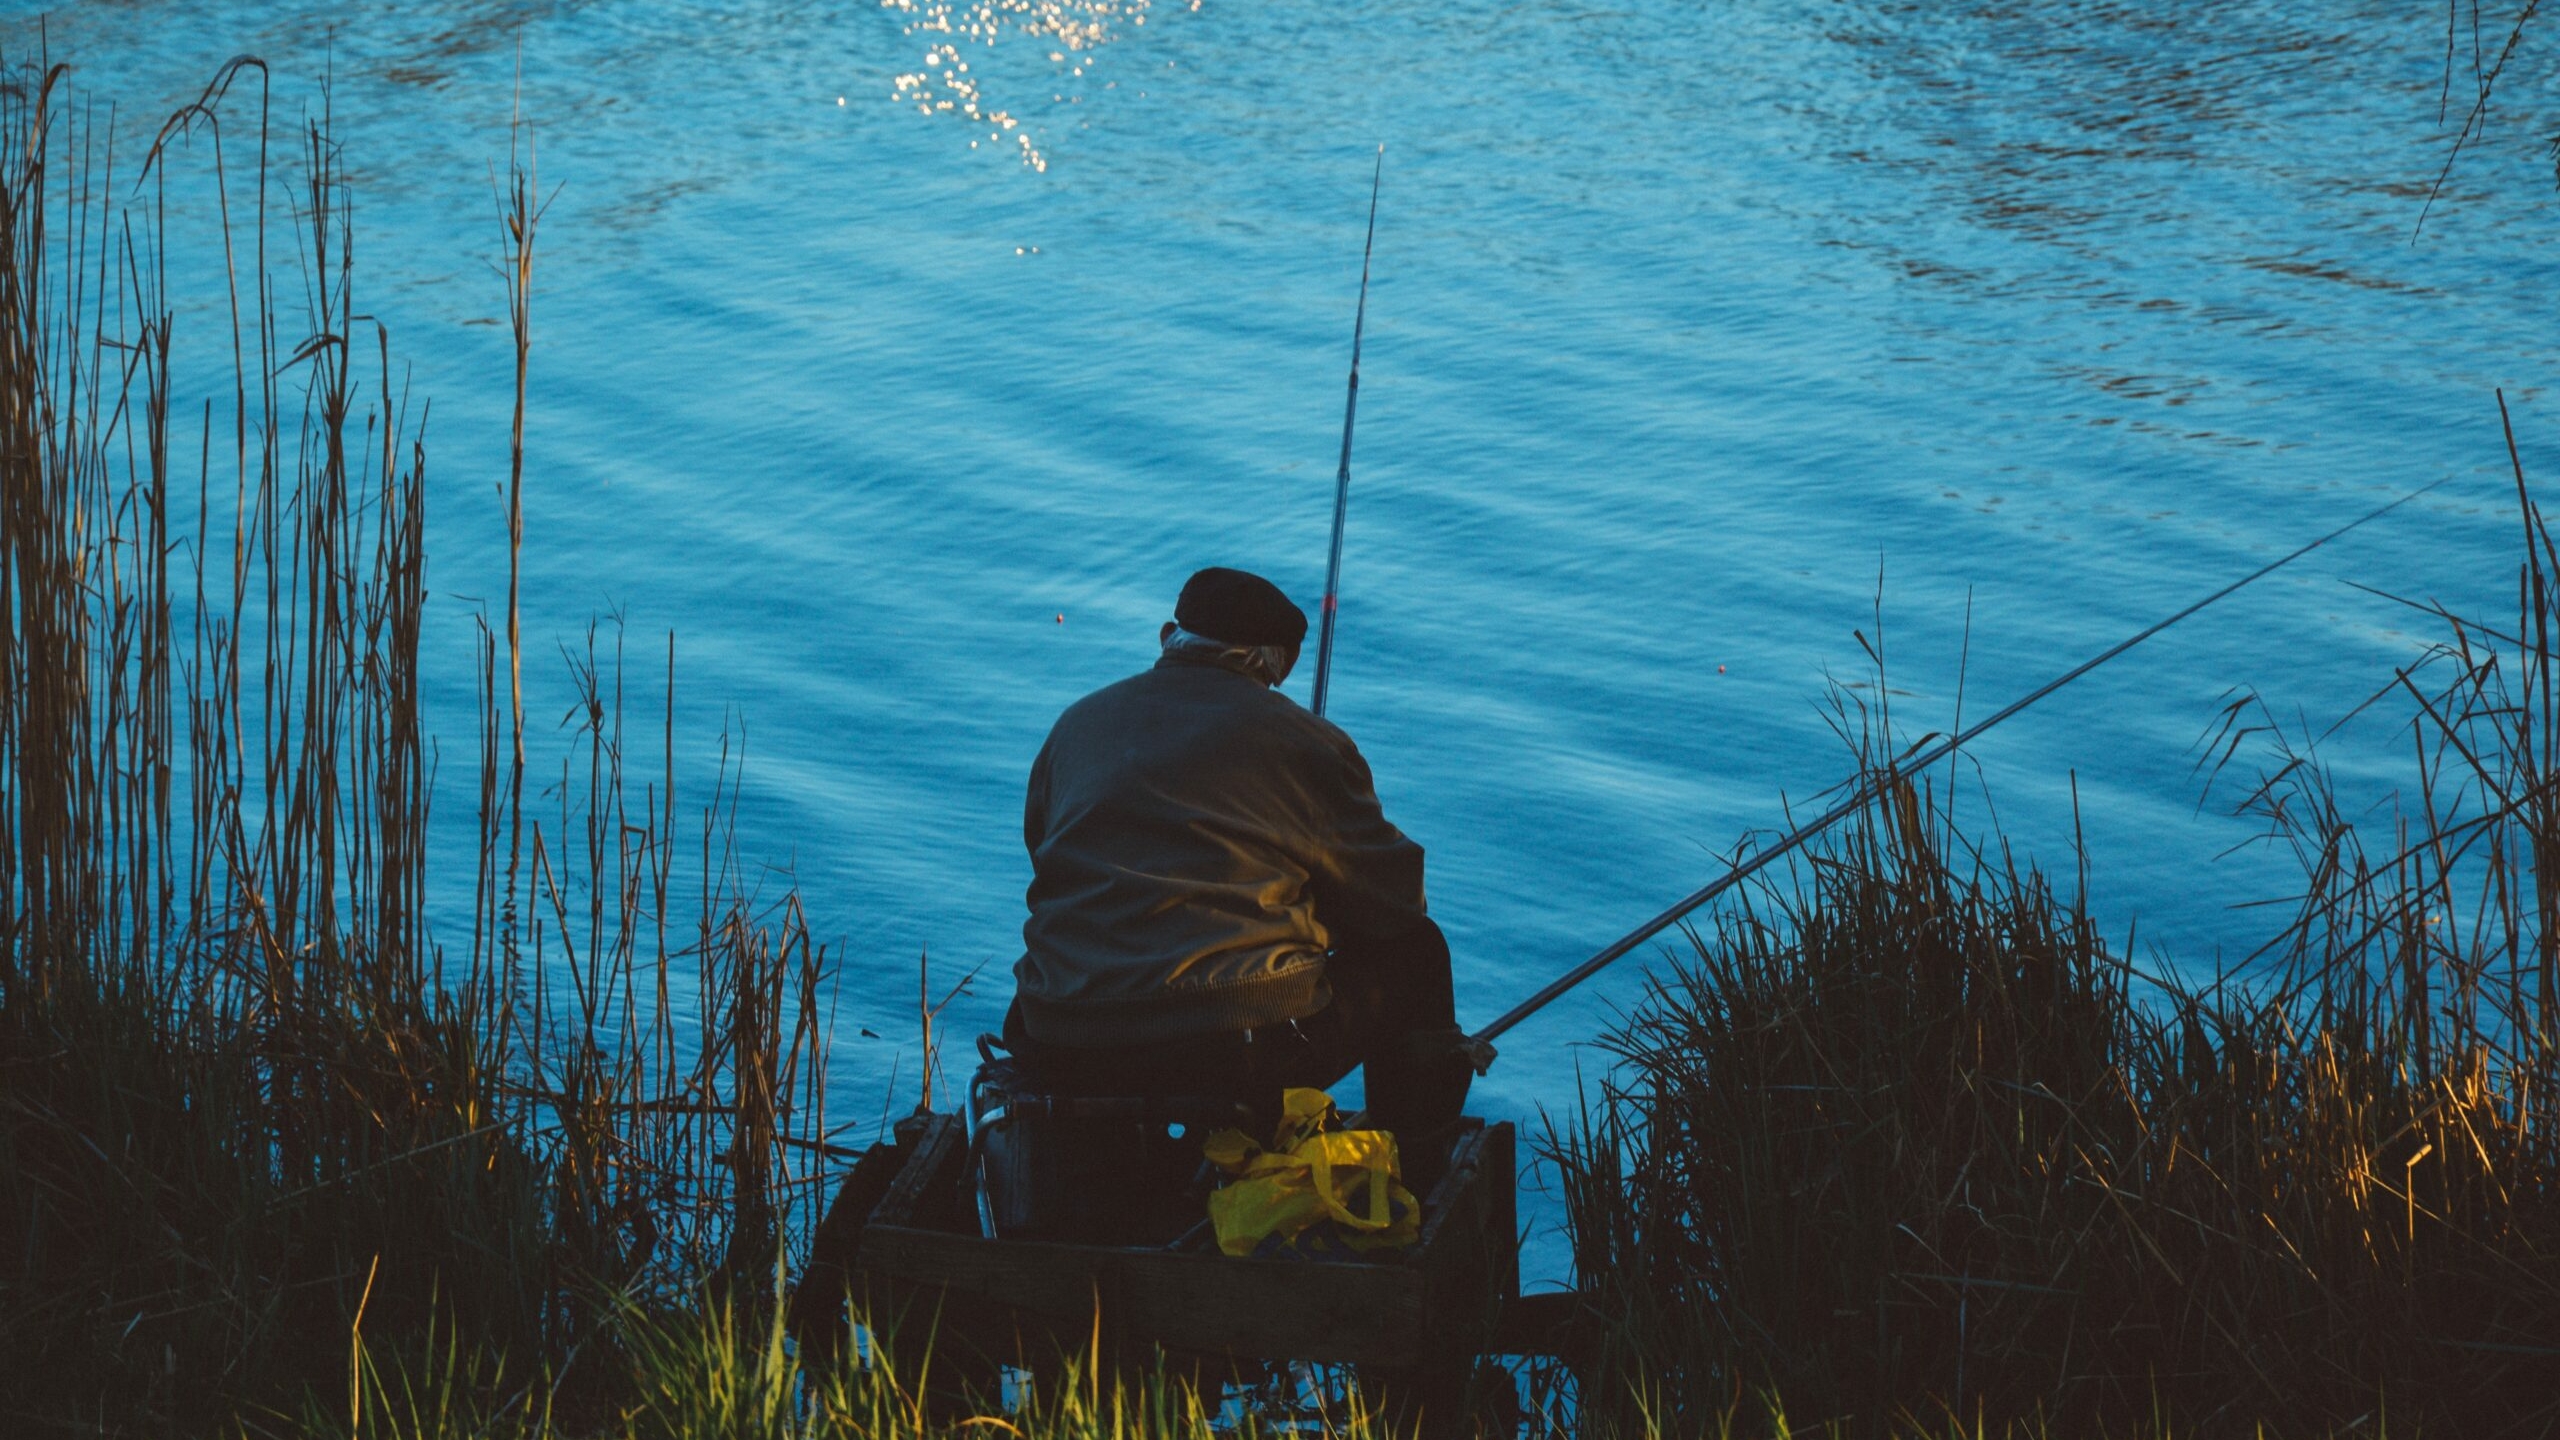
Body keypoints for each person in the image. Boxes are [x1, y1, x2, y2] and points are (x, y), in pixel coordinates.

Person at [1002, 566, 1482, 1152]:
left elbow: (1045, 854)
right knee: (1416, 953)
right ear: (1274, 664)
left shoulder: (1076, 725)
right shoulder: (1304, 741)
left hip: (1058, 1040)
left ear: (1166, 637)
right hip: (1229, 1052)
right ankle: (1412, 1160)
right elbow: (1396, 903)